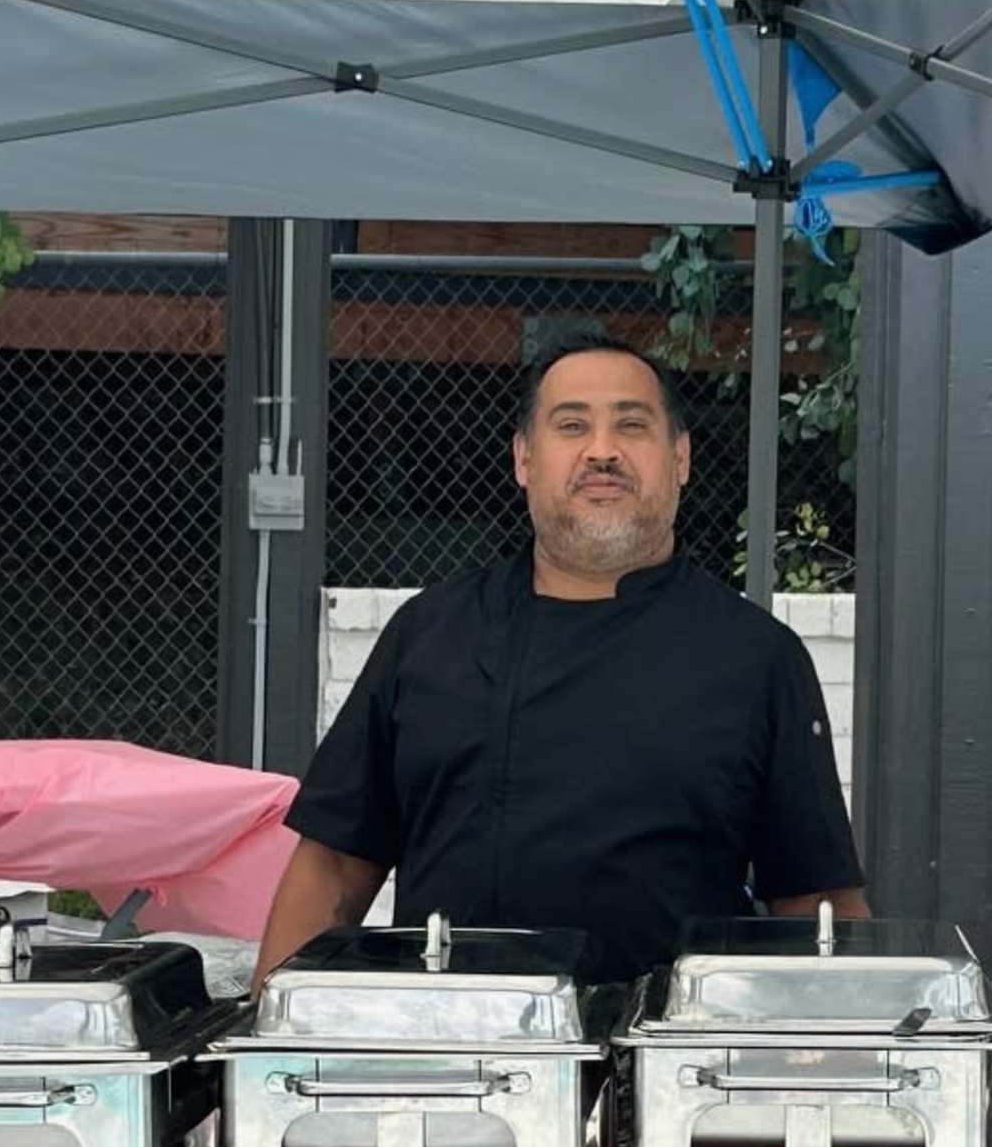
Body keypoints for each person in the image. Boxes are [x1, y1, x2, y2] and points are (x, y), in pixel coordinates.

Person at [258, 319, 867, 987]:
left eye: (631, 426)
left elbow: (815, 904)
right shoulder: (429, 635)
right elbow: (332, 869)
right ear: (524, 459)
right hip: (454, 1056)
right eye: (572, 426)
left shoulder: (757, 658)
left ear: (681, 458)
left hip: (663, 1063)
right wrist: (259, 1055)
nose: (602, 450)